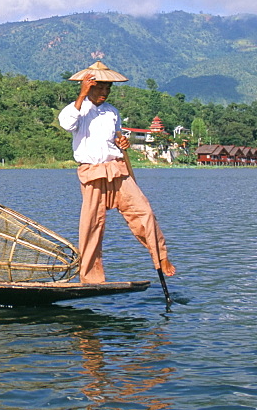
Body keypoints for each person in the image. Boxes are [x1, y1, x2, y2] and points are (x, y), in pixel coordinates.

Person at [57, 61, 175, 284]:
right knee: (92, 224)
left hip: (117, 170)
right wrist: (81, 96)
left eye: (108, 88)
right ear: (89, 87)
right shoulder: (77, 109)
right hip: (92, 173)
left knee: (144, 213)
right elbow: (66, 124)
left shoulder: (112, 112)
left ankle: (161, 259)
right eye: (100, 88)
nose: (104, 93)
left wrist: (121, 141)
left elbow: (116, 137)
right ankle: (91, 276)